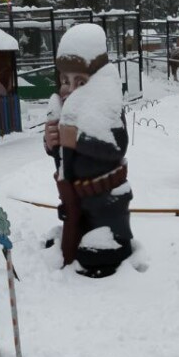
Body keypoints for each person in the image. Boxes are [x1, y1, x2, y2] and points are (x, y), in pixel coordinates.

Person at [46, 23, 132, 277]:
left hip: (105, 197)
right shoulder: (68, 112)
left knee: (97, 251)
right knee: (76, 231)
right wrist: (53, 146)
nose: (70, 89)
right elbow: (65, 158)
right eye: (65, 81)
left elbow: (116, 147)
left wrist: (77, 140)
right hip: (77, 196)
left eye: (80, 82)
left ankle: (109, 250)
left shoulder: (106, 112)